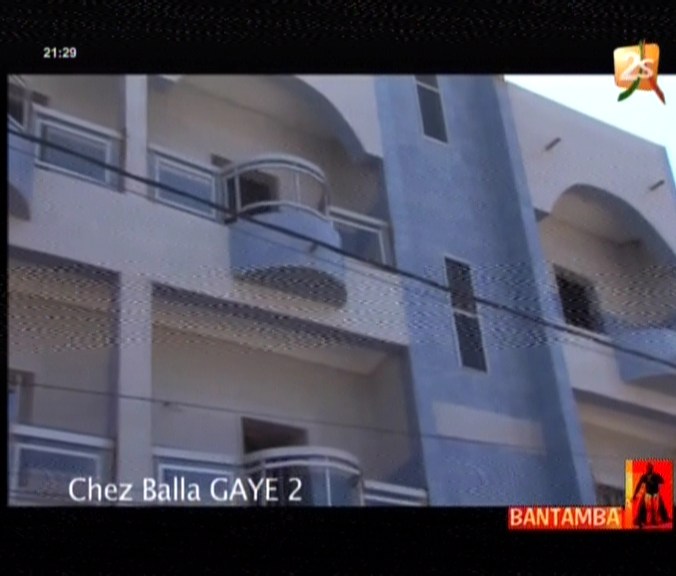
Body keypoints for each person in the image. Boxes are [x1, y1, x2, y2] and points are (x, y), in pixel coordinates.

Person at [631, 462, 671, 527]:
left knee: (659, 506)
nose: (649, 469)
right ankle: (640, 520)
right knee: (643, 507)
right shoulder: (644, 476)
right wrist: (634, 495)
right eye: (648, 468)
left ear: (652, 469)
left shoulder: (656, 476)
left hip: (655, 494)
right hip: (648, 494)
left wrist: (655, 480)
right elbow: (638, 485)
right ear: (647, 469)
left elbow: (662, 481)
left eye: (650, 468)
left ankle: (662, 518)